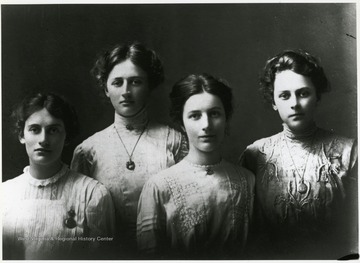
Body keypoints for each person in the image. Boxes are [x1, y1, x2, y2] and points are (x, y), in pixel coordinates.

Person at [70, 41, 187, 258]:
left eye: (135, 82)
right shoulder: (88, 151)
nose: (126, 91)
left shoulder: (175, 142)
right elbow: (79, 223)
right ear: (106, 88)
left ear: (149, 85)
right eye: (117, 83)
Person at [240, 49, 358, 259]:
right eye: (284, 95)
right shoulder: (255, 154)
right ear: (274, 102)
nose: (294, 103)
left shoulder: (348, 151)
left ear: (317, 96)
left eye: (303, 93)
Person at [137, 73, 255, 259]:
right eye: (195, 116)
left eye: (214, 114)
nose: (206, 125)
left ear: (226, 118)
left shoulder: (247, 180)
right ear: (182, 123)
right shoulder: (158, 187)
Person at [2, 93, 115, 260]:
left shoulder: (92, 194)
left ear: (66, 136)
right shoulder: (4, 193)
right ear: (22, 135)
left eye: (53, 130)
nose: (43, 139)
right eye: (34, 129)